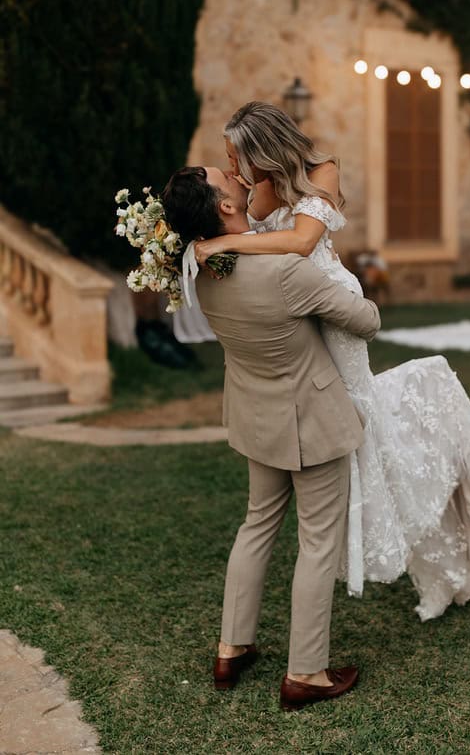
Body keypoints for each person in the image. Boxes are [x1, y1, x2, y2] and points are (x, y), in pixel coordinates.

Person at [185, 102, 470, 621]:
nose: (231, 167)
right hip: (298, 312)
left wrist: (224, 241)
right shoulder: (257, 190)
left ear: (260, 149)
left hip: (332, 304)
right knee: (367, 436)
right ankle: (435, 555)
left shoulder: (322, 170)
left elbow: (301, 241)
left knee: (366, 425)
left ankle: (443, 560)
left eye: (234, 156)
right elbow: (244, 234)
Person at [162, 164, 380, 711]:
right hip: (311, 420)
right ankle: (306, 672)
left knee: (257, 524)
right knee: (317, 542)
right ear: (225, 206)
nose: (239, 177)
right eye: (227, 177)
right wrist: (338, 274)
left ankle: (231, 648)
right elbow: (366, 320)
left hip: (255, 416)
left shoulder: (201, 269)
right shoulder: (285, 270)